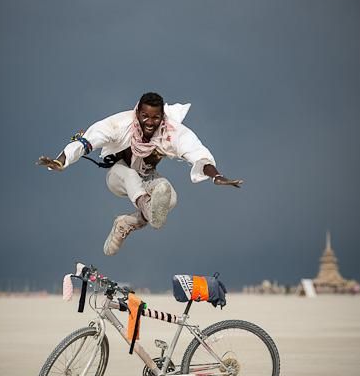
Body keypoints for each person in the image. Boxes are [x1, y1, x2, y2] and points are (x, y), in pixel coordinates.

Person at [37, 92, 243, 255]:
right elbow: (87, 140)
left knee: (170, 197)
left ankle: (125, 223)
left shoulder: (171, 132)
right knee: (130, 176)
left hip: (147, 177)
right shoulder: (120, 124)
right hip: (118, 175)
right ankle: (148, 210)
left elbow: (197, 153)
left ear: (162, 116)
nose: (150, 122)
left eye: (155, 117)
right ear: (138, 113)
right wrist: (61, 161)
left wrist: (216, 176)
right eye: (145, 116)